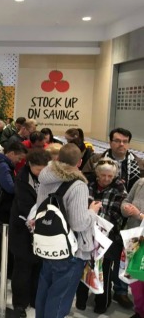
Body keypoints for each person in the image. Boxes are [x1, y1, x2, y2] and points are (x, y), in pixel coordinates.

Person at [35, 143, 102, 318]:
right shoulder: (78, 186)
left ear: (57, 159)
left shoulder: (45, 179)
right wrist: (92, 212)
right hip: (70, 250)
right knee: (60, 298)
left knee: (44, 291)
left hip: (47, 243)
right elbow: (79, 223)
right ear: (79, 162)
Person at [83, 127, 144, 308]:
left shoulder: (137, 164)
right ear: (110, 142)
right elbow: (86, 181)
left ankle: (121, 291)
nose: (121, 144)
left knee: (124, 260)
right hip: (103, 216)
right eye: (117, 140)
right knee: (99, 257)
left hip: (130, 221)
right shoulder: (95, 159)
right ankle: (95, 288)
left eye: (125, 141)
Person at [75, 158, 127, 314]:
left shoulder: (119, 190)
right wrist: (91, 215)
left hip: (108, 237)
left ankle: (102, 303)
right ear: (97, 174)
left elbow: (119, 216)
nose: (106, 179)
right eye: (103, 175)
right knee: (84, 267)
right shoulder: (87, 185)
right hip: (86, 233)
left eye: (110, 176)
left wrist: (96, 214)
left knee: (105, 270)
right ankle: (81, 301)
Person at [9, 149, 51, 317]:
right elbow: (25, 206)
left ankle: (35, 298)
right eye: (38, 170)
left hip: (42, 230)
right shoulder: (22, 179)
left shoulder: (49, 177)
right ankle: (20, 303)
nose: (41, 174)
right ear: (30, 165)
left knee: (38, 266)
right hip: (23, 230)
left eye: (44, 170)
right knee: (23, 268)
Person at [0, 142, 28, 288]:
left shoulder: (0, 160)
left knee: (2, 241)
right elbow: (9, 188)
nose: (19, 162)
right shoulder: (3, 166)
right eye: (19, 158)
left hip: (0, 207)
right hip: (0, 209)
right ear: (12, 153)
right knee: (0, 242)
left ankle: (3, 270)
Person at [121, 178, 144, 318]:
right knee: (134, 279)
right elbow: (126, 200)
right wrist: (125, 209)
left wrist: (140, 215)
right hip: (134, 238)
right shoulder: (141, 182)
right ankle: (139, 311)